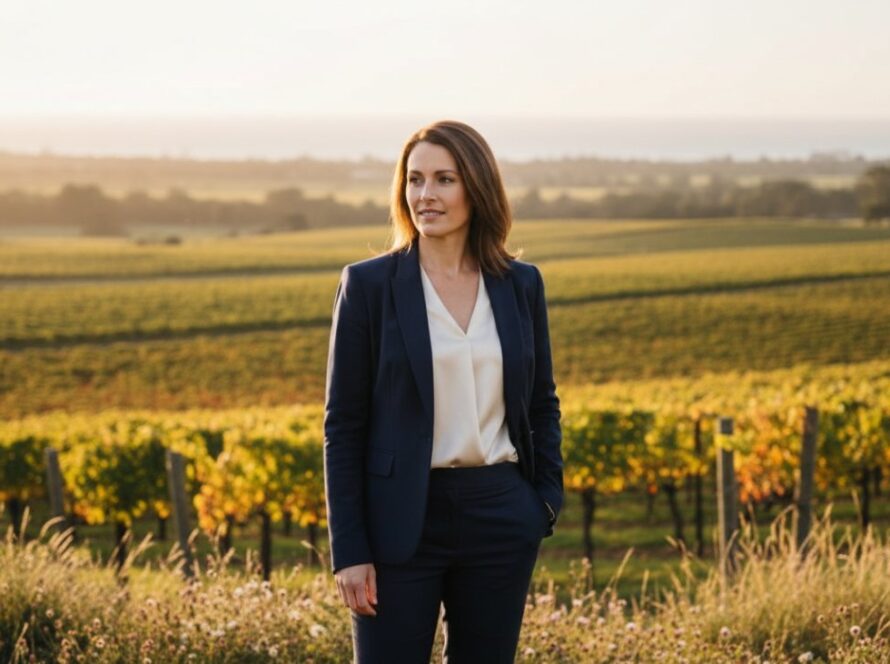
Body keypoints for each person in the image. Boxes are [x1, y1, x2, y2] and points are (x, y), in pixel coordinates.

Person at [323, 119, 563, 663]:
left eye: (444, 179)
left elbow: (542, 403)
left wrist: (542, 503)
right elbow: (343, 426)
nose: (425, 195)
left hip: (501, 513)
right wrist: (351, 550)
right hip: (398, 519)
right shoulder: (367, 286)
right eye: (414, 180)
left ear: (476, 188)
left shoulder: (521, 284)